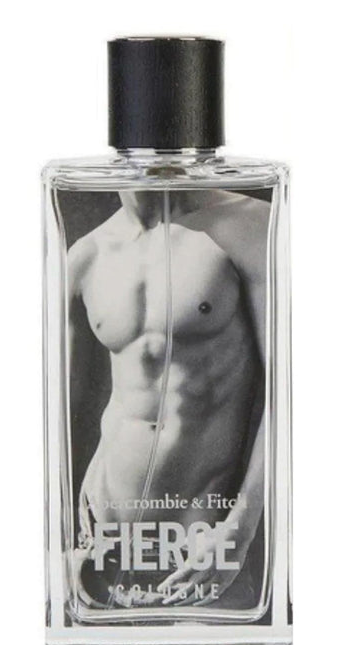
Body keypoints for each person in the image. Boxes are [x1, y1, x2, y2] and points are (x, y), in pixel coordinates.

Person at [67, 189, 269, 608]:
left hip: (204, 546)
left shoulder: (253, 226)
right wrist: (55, 540)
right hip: (99, 545)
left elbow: (291, 391)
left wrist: (241, 527)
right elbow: (55, 414)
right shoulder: (85, 256)